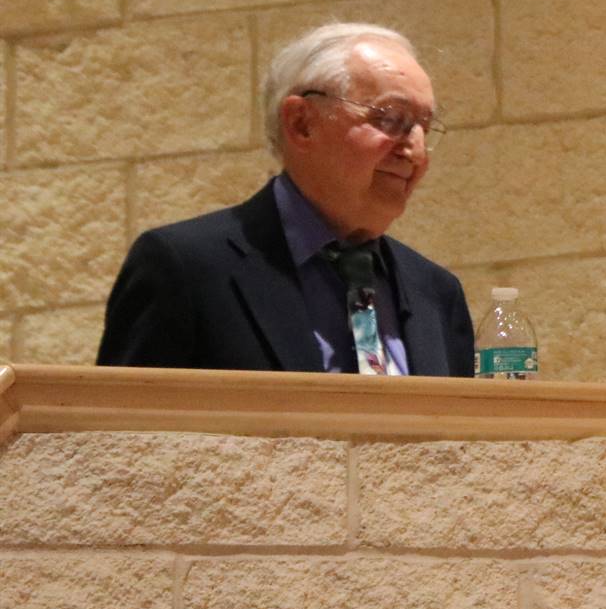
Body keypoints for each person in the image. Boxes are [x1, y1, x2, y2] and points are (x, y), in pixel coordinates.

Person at [97, 23, 474, 377]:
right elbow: (122, 440)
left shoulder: (437, 293)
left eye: (425, 127)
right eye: (391, 118)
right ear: (302, 123)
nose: (417, 151)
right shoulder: (184, 269)